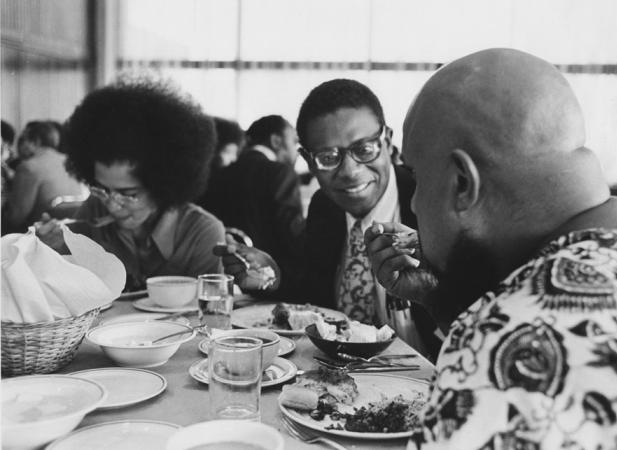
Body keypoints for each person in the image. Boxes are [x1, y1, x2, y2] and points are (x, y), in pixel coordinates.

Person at [364, 48, 617, 449]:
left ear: (462, 184)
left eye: (415, 177)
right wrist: (441, 298)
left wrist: (478, 333)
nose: (414, 204)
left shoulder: (508, 349)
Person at [217, 80, 440, 358]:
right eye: (328, 156)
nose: (349, 171)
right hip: (339, 374)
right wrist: (272, 276)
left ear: (387, 139)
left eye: (364, 149)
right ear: (308, 161)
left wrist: (432, 294)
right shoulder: (325, 206)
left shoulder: (430, 202)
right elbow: (314, 288)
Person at [36, 79, 225, 291]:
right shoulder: (94, 209)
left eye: (129, 194)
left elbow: (209, 310)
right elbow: (75, 289)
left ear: (162, 186)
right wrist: (56, 250)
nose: (112, 205)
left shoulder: (201, 232)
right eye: (104, 189)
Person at [200, 114, 305, 290]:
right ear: (276, 141)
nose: (297, 151)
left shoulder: (219, 174)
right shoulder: (281, 173)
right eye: (294, 142)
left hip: (222, 280)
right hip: (271, 284)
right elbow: (294, 239)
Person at [4, 120, 85, 230]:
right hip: (74, 231)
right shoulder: (71, 161)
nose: (19, 147)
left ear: (35, 142)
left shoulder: (29, 167)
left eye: (24, 140)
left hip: (43, 234)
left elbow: (16, 217)